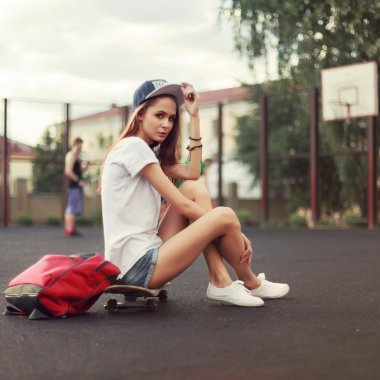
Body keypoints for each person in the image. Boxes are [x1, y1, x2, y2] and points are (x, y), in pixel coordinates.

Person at [100, 79, 289, 307]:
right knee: (224, 215)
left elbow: (191, 172)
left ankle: (227, 280)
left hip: (145, 255)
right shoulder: (134, 147)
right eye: (159, 116)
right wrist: (232, 229)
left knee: (194, 189)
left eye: (171, 118)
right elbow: (183, 206)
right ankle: (235, 280)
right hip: (136, 267)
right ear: (140, 114)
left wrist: (195, 116)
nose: (166, 124)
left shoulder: (145, 151)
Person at [64, 137, 88, 237]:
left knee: (73, 208)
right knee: (71, 208)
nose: (81, 147)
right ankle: (69, 230)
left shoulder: (76, 156)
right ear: (77, 144)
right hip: (74, 186)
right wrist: (78, 181)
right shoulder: (71, 155)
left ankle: (71, 229)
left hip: (76, 186)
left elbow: (77, 170)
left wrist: (85, 168)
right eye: (81, 144)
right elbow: (68, 171)